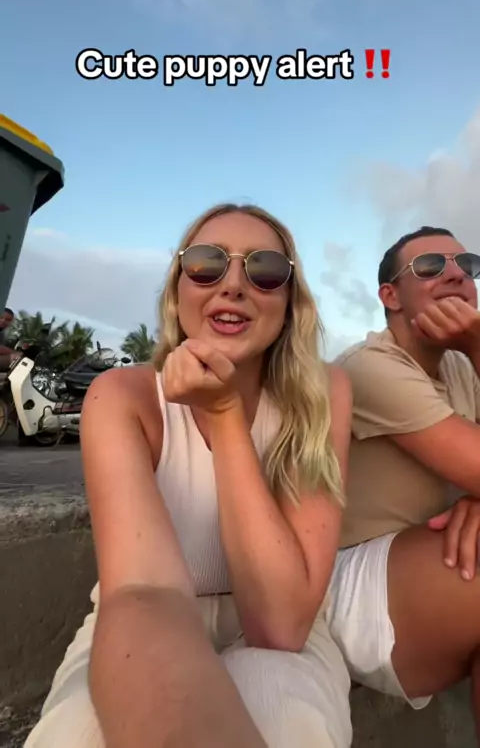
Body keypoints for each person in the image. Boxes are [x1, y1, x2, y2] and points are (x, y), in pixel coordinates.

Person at [25, 203, 353, 748]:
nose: (234, 284)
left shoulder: (324, 394)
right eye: (206, 263)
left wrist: (224, 416)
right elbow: (143, 594)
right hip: (138, 618)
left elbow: (280, 626)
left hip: (282, 628)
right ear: (178, 291)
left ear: (290, 302)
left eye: (265, 269)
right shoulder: (122, 396)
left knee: (289, 722)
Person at [325, 225, 480, 742]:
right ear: (390, 296)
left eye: (468, 266)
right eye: (431, 266)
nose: (456, 275)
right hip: (348, 586)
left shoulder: (459, 367)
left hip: (427, 568)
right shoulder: (370, 368)